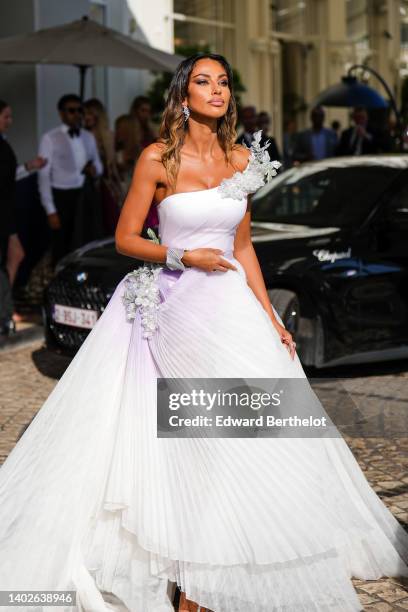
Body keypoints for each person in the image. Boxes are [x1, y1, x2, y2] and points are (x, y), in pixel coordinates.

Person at [0, 53, 408, 612]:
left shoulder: (242, 160)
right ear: (183, 94)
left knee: (248, 434)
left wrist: (269, 318)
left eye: (222, 82)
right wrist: (181, 253)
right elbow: (125, 238)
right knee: (189, 434)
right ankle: (184, 576)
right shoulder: (155, 158)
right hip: (175, 307)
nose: (215, 90)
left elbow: (244, 249)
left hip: (231, 312)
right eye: (203, 81)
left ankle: (216, 568)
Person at [38, 94, 103, 266]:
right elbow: (43, 175)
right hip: (61, 197)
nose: (77, 114)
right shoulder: (50, 138)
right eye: (71, 110)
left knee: (85, 242)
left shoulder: (88, 137)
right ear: (61, 113)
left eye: (80, 110)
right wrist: (50, 210)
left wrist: (95, 170)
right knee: (61, 245)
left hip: (84, 195)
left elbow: (98, 164)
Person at [0, 100, 46, 337]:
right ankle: (5, 314)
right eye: (6, 116)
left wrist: (30, 166)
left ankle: (6, 311)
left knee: (14, 257)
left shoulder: (3, 143)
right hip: (4, 214)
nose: (10, 120)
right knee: (11, 258)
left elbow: (8, 176)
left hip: (8, 213)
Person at [83, 98, 124, 235]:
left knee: (110, 221)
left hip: (106, 184)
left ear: (97, 115)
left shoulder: (108, 135)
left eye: (89, 113)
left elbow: (112, 166)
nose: (86, 117)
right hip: (86, 184)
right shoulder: (81, 135)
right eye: (84, 113)